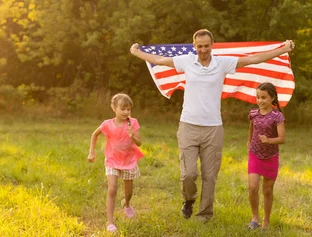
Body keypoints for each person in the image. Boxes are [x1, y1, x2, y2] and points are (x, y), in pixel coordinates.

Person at [130, 29, 294, 221]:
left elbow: (253, 59)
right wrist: (137, 52)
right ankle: (189, 199)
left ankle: (204, 215)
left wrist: (282, 49)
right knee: (189, 173)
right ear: (194, 46)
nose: (203, 50)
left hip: (213, 128)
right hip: (188, 126)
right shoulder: (186, 61)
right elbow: (159, 60)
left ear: (212, 45)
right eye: (199, 46)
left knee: (210, 175)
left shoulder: (222, 63)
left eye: (206, 46)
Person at [87, 93, 143, 233]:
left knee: (128, 192)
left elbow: (140, 143)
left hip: (129, 161)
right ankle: (110, 222)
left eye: (129, 109)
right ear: (114, 108)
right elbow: (94, 135)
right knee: (112, 189)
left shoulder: (133, 123)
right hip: (112, 160)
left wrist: (133, 136)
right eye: (123, 109)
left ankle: (127, 203)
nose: (126, 112)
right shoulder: (107, 124)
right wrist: (92, 152)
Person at [246, 82, 286, 231]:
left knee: (267, 190)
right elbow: (252, 127)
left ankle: (266, 222)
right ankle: (254, 218)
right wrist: (249, 141)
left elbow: (282, 138)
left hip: (271, 156)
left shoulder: (277, 116)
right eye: (258, 97)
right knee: (252, 186)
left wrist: (268, 140)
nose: (260, 100)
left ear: (272, 97)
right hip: (255, 154)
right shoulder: (253, 113)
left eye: (264, 97)